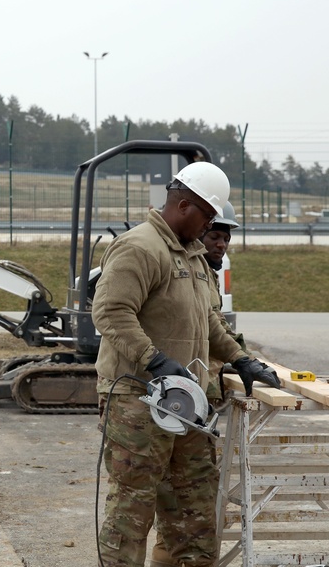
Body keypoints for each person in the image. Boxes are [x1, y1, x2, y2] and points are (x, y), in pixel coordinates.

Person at [92, 162, 281, 567]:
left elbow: (208, 321)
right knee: (133, 508)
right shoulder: (140, 247)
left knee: (194, 509)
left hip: (189, 406)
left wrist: (241, 359)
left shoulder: (193, 256)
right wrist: (154, 360)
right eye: (207, 216)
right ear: (182, 205)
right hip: (138, 402)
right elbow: (111, 312)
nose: (212, 226)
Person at [148, 200, 252, 567]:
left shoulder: (203, 274)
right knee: (168, 496)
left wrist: (243, 358)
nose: (220, 244)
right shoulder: (172, 265)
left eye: (225, 237)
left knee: (191, 496)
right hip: (171, 396)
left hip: (196, 402)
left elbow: (215, 330)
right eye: (214, 234)